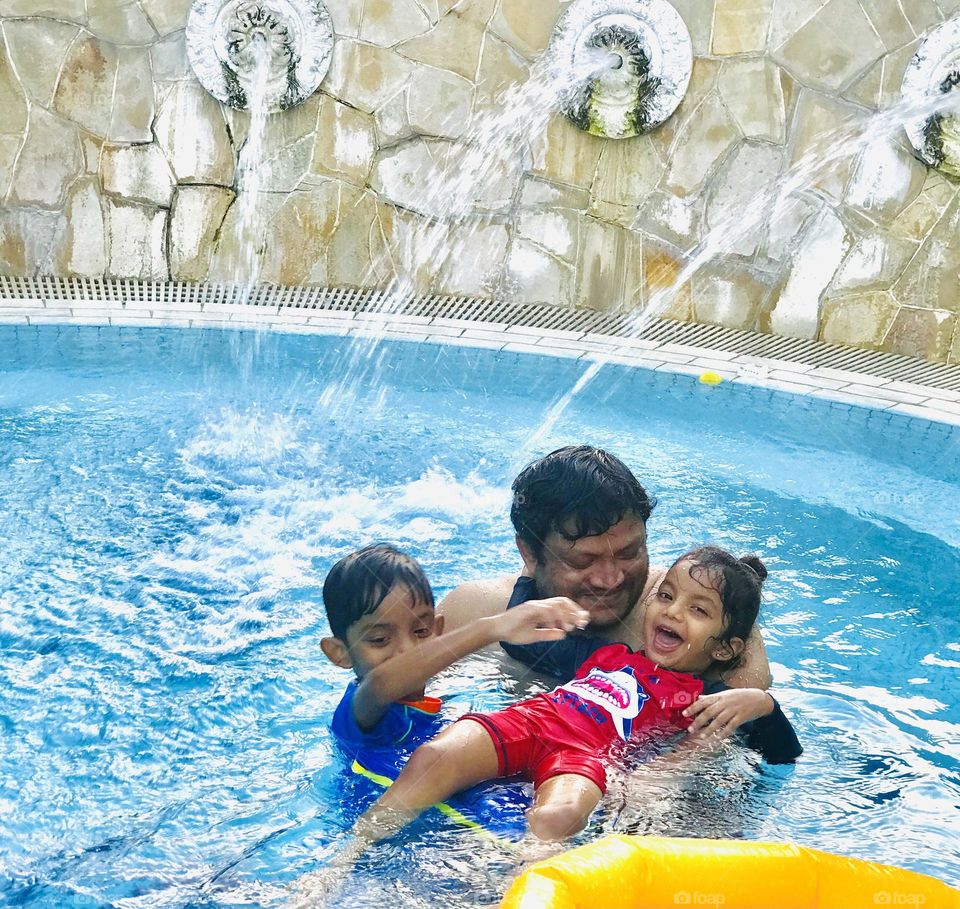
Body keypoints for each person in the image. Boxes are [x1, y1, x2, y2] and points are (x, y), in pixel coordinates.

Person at [327, 547, 800, 861]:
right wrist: (527, 587)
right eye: (667, 596)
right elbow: (526, 645)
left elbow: (782, 752)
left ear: (723, 649)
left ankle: (522, 882)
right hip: (532, 720)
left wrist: (761, 702)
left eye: (697, 611)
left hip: (584, 757)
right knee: (439, 754)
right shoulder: (605, 654)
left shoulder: (703, 701)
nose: (673, 612)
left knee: (562, 815)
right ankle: (345, 859)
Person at [439, 447, 774, 732]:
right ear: (529, 552)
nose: (610, 579)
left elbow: (725, 738)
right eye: (583, 561)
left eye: (630, 553)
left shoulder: (694, 627)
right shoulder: (475, 610)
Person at [319, 543, 590, 791]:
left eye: (421, 631)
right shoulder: (356, 713)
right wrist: (493, 627)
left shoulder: (431, 709)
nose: (407, 650)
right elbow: (381, 683)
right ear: (339, 653)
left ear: (439, 631)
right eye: (379, 640)